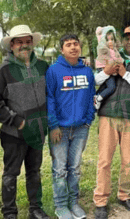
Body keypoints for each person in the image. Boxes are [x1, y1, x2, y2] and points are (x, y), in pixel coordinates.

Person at [0, 25, 50, 219]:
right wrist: (16, 121)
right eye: (20, 42)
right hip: (14, 134)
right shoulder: (4, 70)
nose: (24, 45)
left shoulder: (43, 66)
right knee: (11, 173)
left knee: (35, 171)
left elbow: (51, 95)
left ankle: (36, 209)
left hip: (37, 132)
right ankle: (9, 212)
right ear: (12, 45)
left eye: (28, 41)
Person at [93, 26, 130, 219]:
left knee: (128, 160)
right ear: (123, 40)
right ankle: (101, 201)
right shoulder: (109, 54)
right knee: (104, 161)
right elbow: (94, 79)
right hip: (108, 114)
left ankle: (124, 195)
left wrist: (125, 74)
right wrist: (107, 72)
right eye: (127, 38)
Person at [46, 33, 96, 219]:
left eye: (76, 44)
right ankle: (60, 206)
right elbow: (49, 98)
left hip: (81, 127)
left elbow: (92, 96)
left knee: (75, 167)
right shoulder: (54, 71)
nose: (73, 47)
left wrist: (89, 119)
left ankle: (73, 203)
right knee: (60, 169)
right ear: (62, 49)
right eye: (68, 45)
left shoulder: (87, 71)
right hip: (60, 129)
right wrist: (53, 125)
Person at [94, 26, 124, 108]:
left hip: (111, 69)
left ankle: (95, 96)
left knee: (105, 85)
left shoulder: (115, 50)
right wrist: (106, 29)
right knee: (111, 87)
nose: (110, 42)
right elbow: (98, 31)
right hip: (103, 68)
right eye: (108, 40)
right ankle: (98, 98)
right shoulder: (104, 48)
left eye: (112, 39)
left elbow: (119, 59)